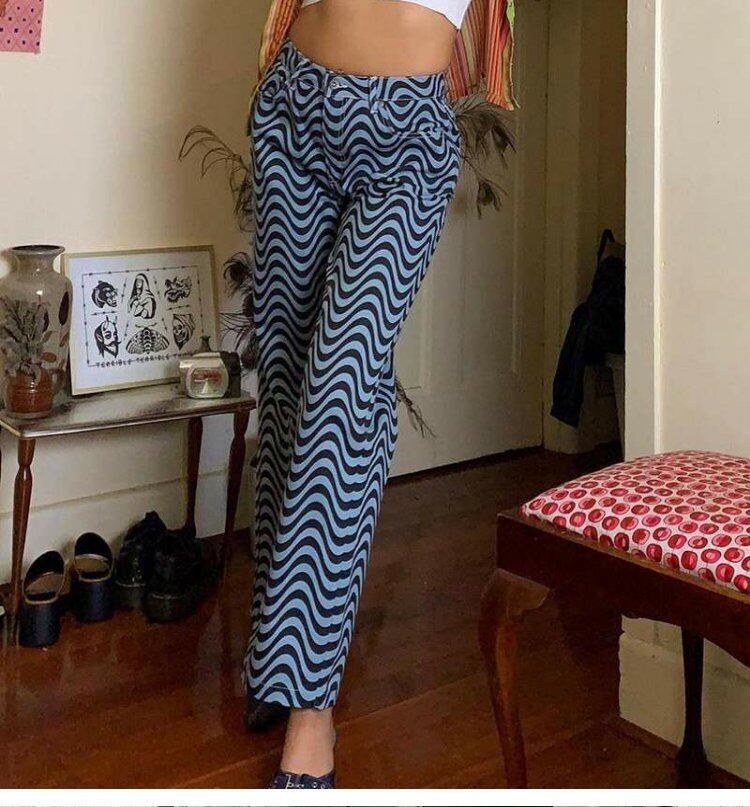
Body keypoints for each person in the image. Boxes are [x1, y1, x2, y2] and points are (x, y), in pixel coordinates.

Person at [243, 0, 516, 789]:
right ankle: (281, 657)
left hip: (407, 140)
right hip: (294, 105)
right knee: (289, 383)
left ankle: (310, 711)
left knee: (341, 388)